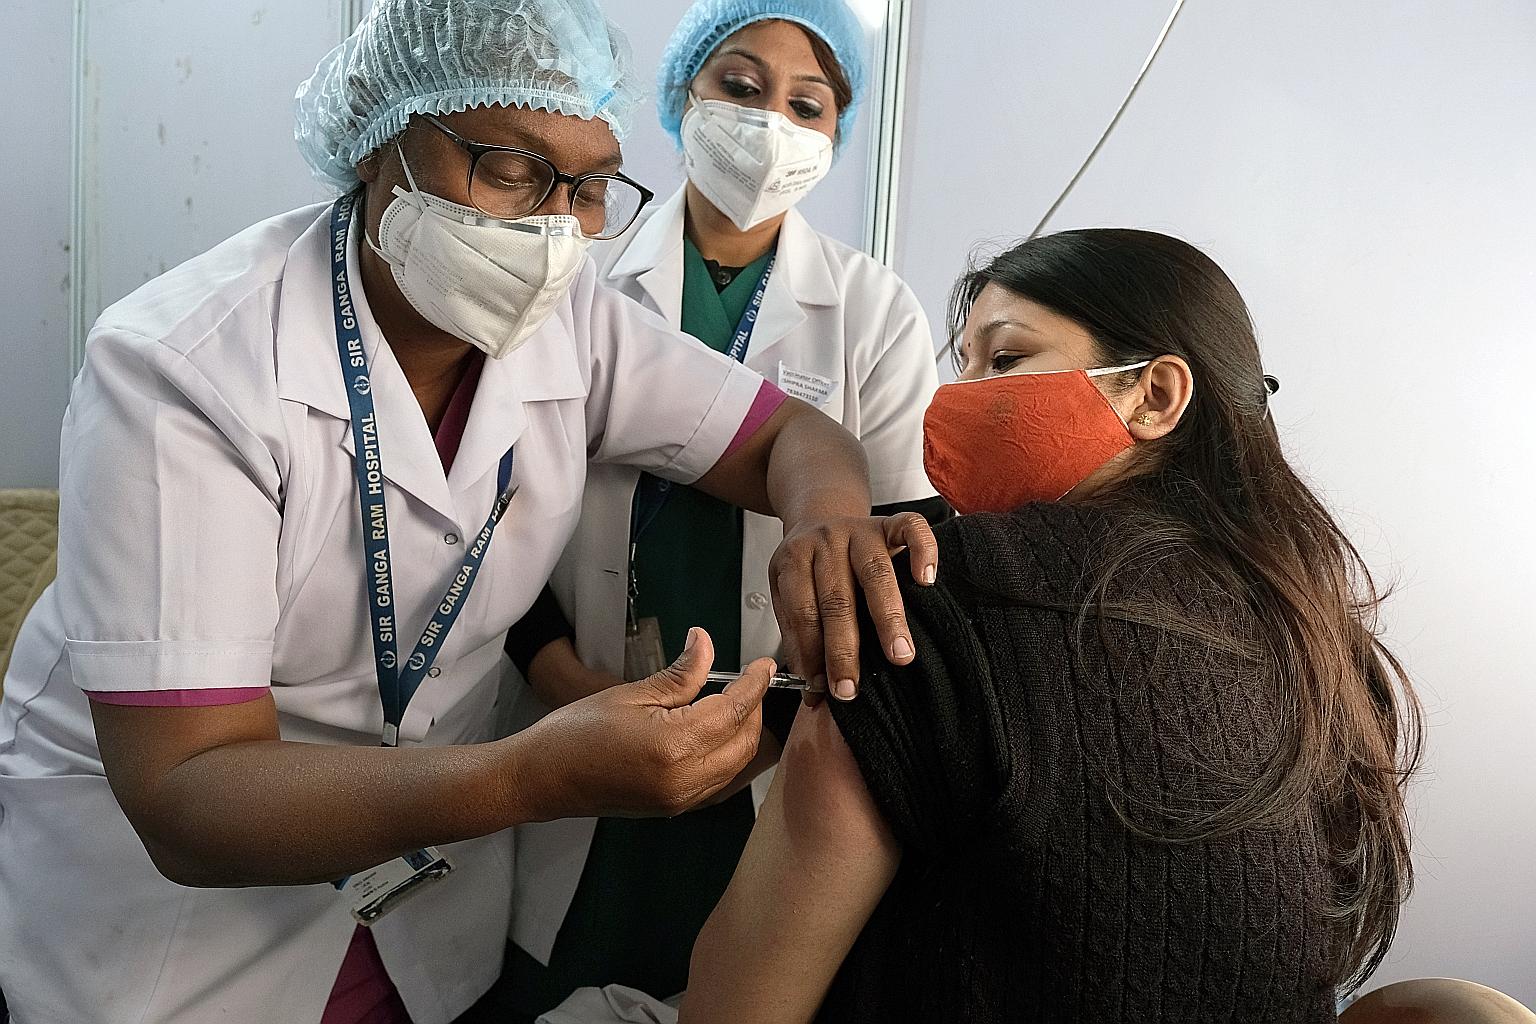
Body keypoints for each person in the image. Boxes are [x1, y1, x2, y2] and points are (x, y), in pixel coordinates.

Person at [0, 2, 939, 1022]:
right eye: (509, 170)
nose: (549, 230)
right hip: (180, 930)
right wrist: (528, 777)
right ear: (378, 147)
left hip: (421, 902)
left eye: (585, 188)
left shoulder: (571, 322)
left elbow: (791, 437)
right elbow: (187, 798)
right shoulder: (186, 369)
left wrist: (828, 515)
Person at [680, 229, 1425, 1023]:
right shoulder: (1310, 629)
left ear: (1156, 395)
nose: (956, 396)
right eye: (960, 363)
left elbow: (738, 1002)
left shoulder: (930, 597)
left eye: (1003, 360)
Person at [478, 2, 943, 1016]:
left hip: (779, 748)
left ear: (835, 133)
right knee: (553, 970)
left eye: (805, 103)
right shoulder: (577, 281)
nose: (768, 120)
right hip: (575, 718)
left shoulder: (873, 312)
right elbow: (484, 510)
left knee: (746, 977)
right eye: (738, 85)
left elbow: (908, 557)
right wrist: (560, 677)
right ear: (682, 94)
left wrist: (783, 724)